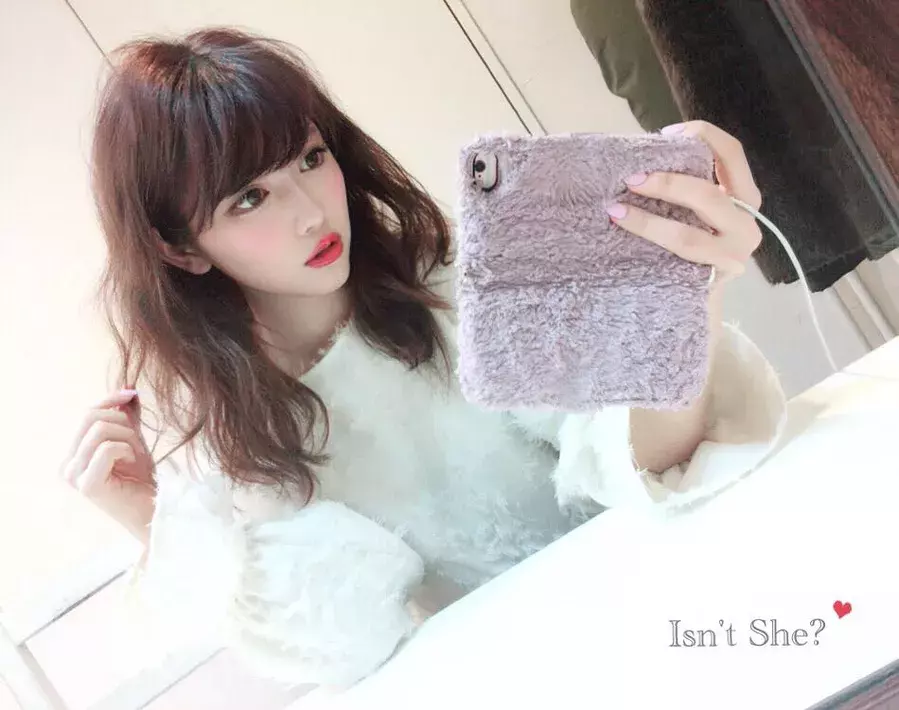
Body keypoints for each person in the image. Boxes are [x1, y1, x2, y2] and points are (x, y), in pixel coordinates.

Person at [60, 26, 786, 690]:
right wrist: (154, 524)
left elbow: (636, 460)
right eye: (250, 198)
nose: (310, 212)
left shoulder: (459, 283)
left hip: (688, 612)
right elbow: (347, 645)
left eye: (311, 158)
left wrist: (688, 299)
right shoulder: (236, 442)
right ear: (179, 248)